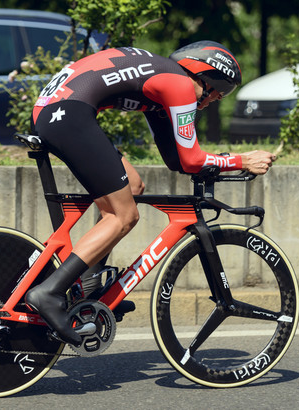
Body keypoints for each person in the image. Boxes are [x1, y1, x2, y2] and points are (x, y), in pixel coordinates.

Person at [25, 40, 276, 345]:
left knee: (132, 186)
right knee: (124, 215)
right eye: (219, 93)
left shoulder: (160, 82)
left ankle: (87, 285)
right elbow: (191, 159)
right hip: (67, 114)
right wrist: (242, 160)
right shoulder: (180, 85)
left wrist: (217, 162)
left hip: (57, 110)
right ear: (207, 79)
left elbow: (176, 159)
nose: (212, 102)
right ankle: (49, 292)